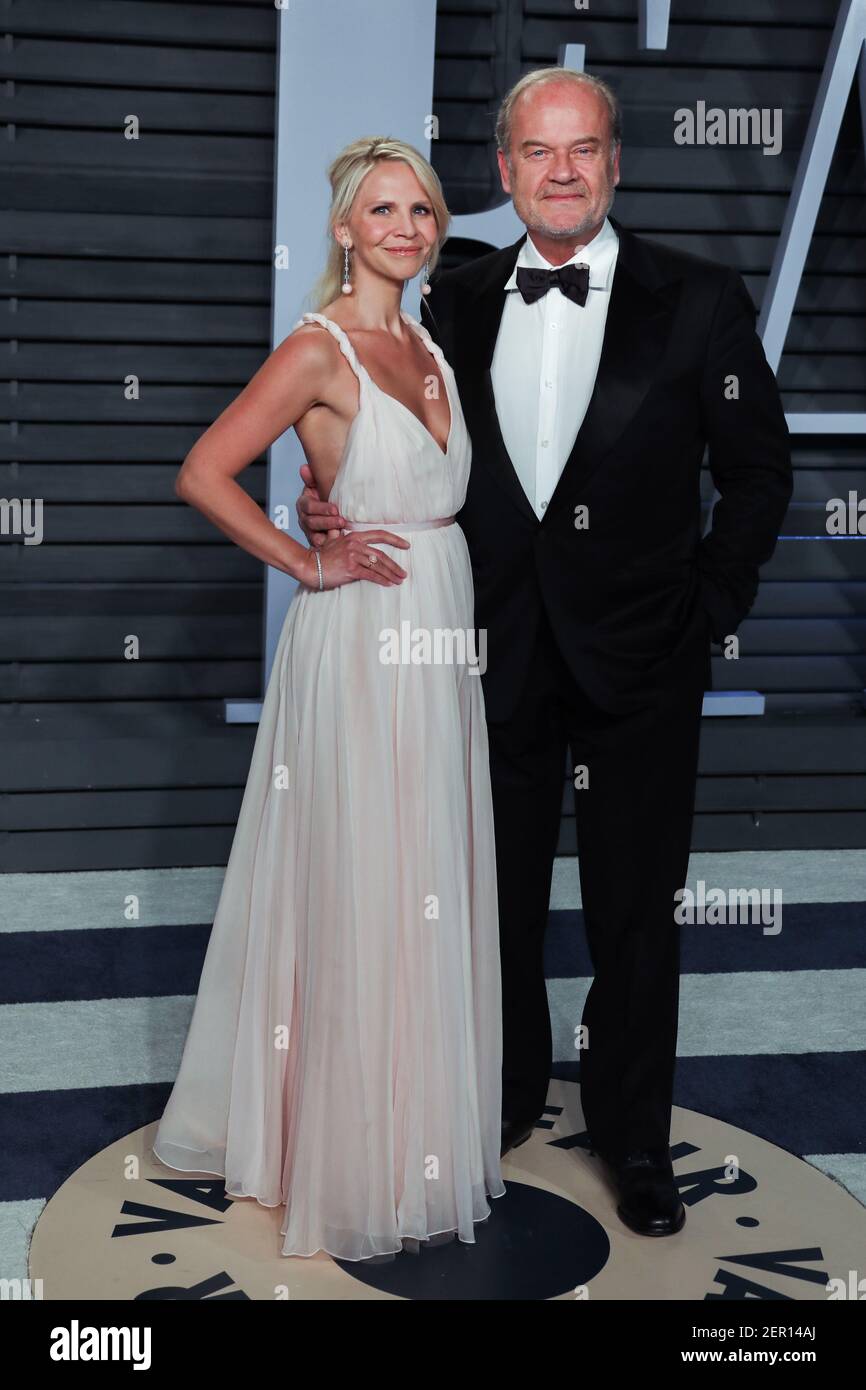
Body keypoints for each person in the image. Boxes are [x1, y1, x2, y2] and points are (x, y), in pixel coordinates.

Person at [298, 70, 794, 1237]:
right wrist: (326, 505)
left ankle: (633, 1141)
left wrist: (706, 610)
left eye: (581, 150)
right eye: (535, 150)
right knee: (489, 900)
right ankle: (505, 1097)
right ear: (505, 169)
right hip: (483, 651)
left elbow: (760, 475)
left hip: (641, 664)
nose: (559, 170)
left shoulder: (702, 298)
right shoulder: (452, 295)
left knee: (633, 916)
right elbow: (369, 417)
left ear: (614, 163)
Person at [152, 136, 505, 1261]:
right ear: (345, 229)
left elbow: (396, 495)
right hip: (358, 645)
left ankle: (411, 1130)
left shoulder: (428, 348)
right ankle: (347, 1153)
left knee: (422, 875)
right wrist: (310, 561)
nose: (406, 227)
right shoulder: (317, 349)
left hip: (439, 634)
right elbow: (204, 470)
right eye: (383, 211)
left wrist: (333, 511)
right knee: (363, 875)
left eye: (423, 210)